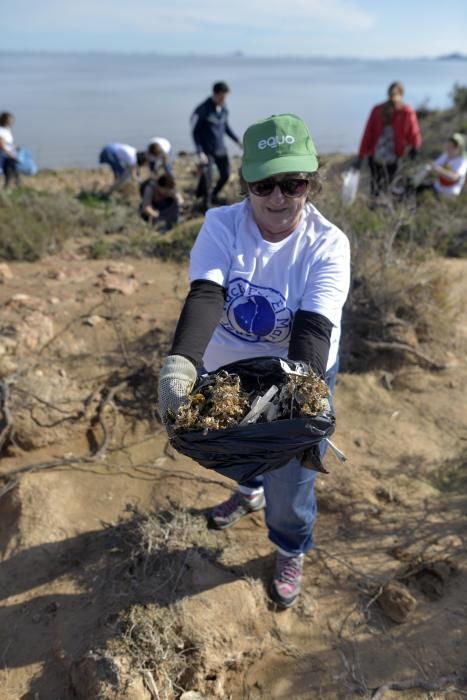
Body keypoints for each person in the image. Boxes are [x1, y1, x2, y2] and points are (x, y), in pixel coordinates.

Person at [158, 113, 350, 608]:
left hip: (301, 366)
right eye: (264, 184)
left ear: (312, 182)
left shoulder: (327, 245)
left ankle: (289, 546)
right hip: (229, 371)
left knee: (292, 476)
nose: (278, 197)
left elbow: (312, 327)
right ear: (246, 183)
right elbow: (206, 295)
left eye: (294, 182)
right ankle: (249, 489)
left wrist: (302, 393)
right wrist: (181, 363)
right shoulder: (222, 225)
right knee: (237, 445)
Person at [354, 81, 422, 196]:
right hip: (393, 157)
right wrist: (415, 148)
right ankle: (384, 207)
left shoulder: (378, 110)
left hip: (376, 157)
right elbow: (414, 133)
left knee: (375, 185)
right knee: (389, 186)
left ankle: (374, 207)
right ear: (402, 94)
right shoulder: (406, 111)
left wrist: (360, 156)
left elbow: (367, 135)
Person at [191, 81, 242, 209]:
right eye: (222, 97)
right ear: (215, 94)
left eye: (225, 97)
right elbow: (195, 132)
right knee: (208, 178)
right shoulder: (202, 109)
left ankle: (212, 195)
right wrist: (199, 151)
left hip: (220, 149)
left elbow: (226, 127)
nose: (224, 100)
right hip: (207, 151)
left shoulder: (224, 109)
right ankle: (205, 205)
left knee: (225, 174)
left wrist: (237, 141)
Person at [415, 133, 467, 198]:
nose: (450, 147)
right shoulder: (446, 155)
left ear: (459, 148)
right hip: (437, 188)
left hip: (449, 193)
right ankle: (412, 183)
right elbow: (433, 166)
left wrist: (439, 170)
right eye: (449, 144)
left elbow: (454, 177)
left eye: (454, 146)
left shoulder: (462, 161)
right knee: (418, 189)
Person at [0, 112, 20, 189]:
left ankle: (16, 186)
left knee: (14, 171)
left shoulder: (7, 130)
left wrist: (15, 147)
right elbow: (1, 144)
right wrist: (9, 153)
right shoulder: (1, 130)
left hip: (10, 154)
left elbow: (9, 143)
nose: (11, 121)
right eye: (10, 119)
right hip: (5, 155)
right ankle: (8, 187)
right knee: (9, 172)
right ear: (4, 120)